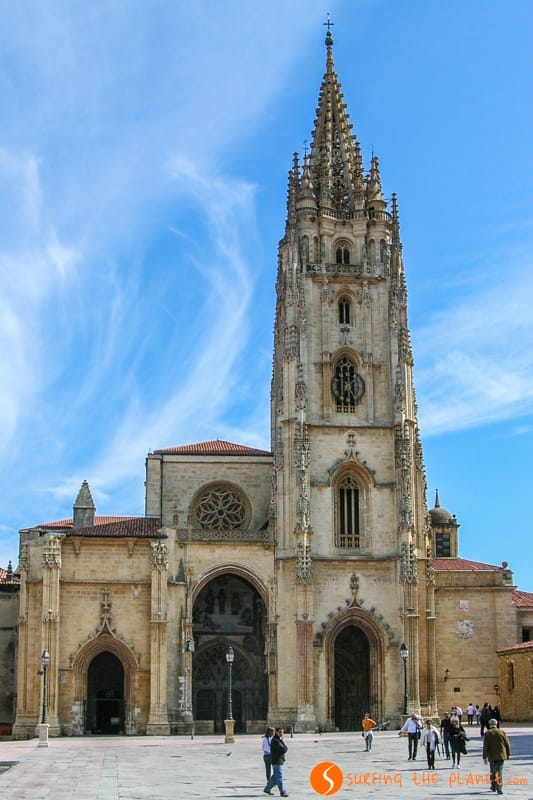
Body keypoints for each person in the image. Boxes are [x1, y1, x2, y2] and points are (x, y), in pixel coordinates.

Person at [483, 718, 511, 795]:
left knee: (493, 771)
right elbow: (507, 744)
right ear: (496, 724)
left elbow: (485, 746)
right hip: (501, 755)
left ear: (489, 725)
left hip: (492, 756)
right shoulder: (502, 732)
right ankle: (499, 788)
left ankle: (493, 786)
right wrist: (508, 754)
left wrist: (484, 757)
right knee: (499, 772)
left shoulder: (488, 733)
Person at [264, 726, 289, 797]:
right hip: (276, 761)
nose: (281, 733)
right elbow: (284, 749)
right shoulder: (275, 740)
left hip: (278, 761)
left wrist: (284, 745)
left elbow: (285, 748)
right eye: (280, 732)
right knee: (279, 777)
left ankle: (267, 789)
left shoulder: (278, 739)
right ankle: (282, 791)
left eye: (282, 732)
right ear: (276, 732)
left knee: (275, 777)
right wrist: (284, 747)